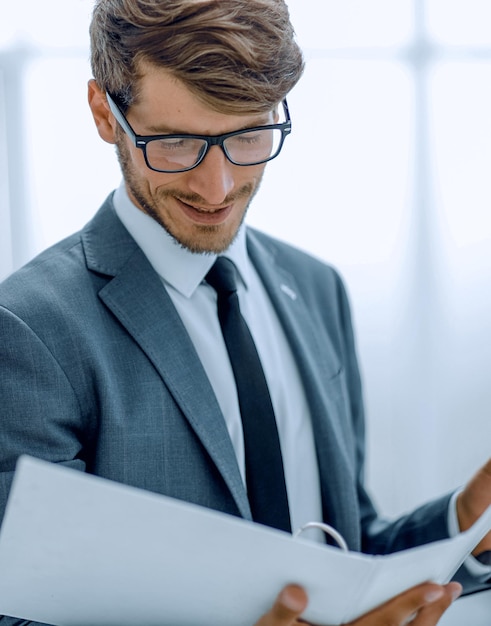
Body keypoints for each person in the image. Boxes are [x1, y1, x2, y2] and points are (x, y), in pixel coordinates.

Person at [0, 1, 490, 624]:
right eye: (175, 143)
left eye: (248, 136)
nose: (219, 187)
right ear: (104, 112)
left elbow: (342, 547)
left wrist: (462, 527)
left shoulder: (316, 290)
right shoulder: (27, 331)